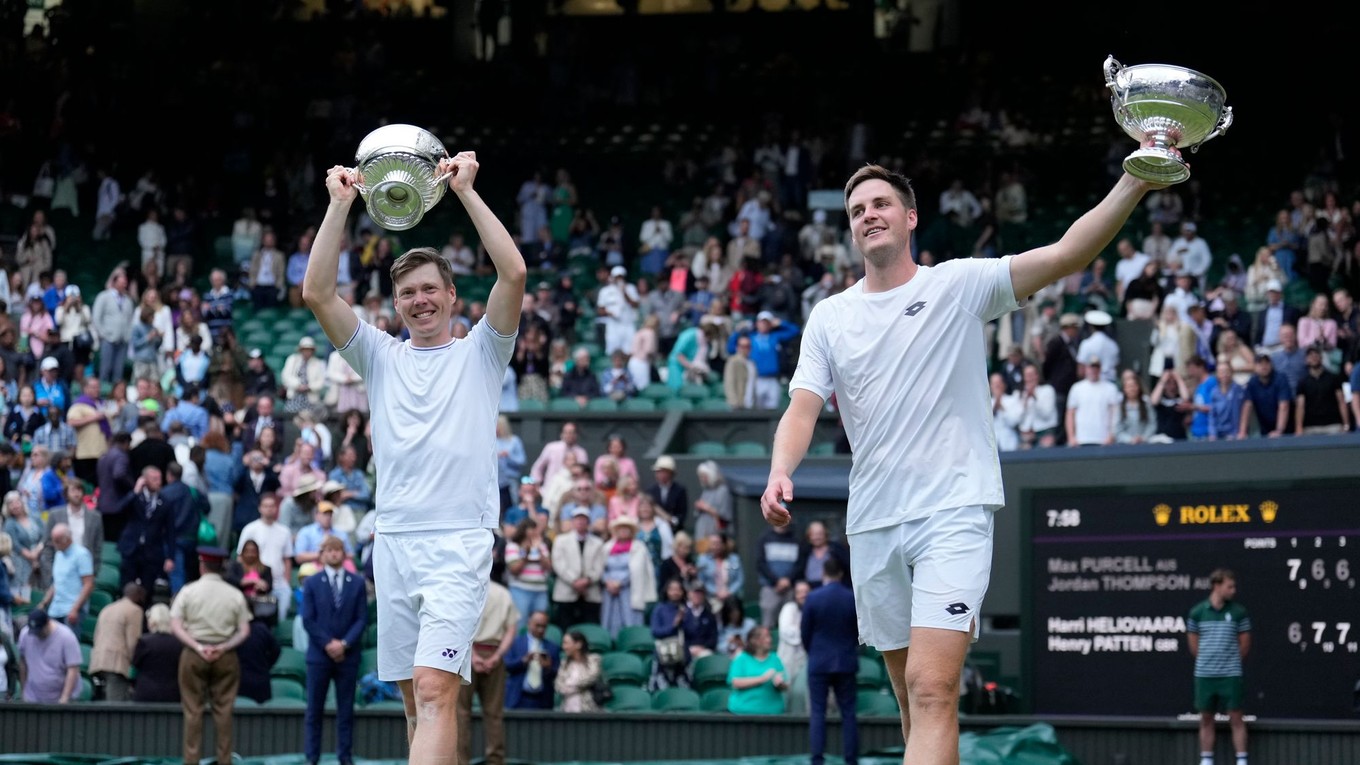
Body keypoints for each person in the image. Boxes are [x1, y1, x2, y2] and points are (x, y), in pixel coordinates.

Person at [761, 163, 1170, 764]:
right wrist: (779, 470)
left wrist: (1135, 179)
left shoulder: (958, 284)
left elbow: (1067, 253)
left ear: (910, 217)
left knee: (932, 689)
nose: (869, 214)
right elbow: (802, 410)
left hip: (952, 511)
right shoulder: (829, 317)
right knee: (910, 700)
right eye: (857, 211)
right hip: (873, 522)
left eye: (881, 204)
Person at [304, 152, 525, 765]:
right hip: (394, 539)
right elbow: (317, 291)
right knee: (414, 700)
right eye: (407, 293)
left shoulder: (483, 350)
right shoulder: (377, 355)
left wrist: (467, 194)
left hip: (458, 540)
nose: (420, 300)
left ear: (453, 296)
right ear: (396, 304)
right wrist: (340, 203)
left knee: (433, 690)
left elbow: (512, 273)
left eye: (430, 289)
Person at [170, 546, 254, 765]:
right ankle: (224, 761)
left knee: (192, 712)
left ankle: (191, 761)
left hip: (194, 654)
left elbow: (176, 626)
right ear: (221, 567)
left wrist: (198, 647)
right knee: (224, 712)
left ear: (201, 565)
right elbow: (244, 631)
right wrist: (224, 647)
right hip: (225, 656)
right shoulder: (235, 594)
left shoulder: (188, 591)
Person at [301, 534, 368, 765]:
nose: (333, 553)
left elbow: (361, 619)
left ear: (343, 553)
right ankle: (312, 757)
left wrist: (344, 644)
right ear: (322, 554)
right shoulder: (311, 582)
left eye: (337, 549)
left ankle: (345, 757)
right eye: (328, 550)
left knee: (346, 711)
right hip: (319, 656)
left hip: (348, 657)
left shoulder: (357, 582)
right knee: (314, 711)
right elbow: (308, 619)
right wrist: (329, 644)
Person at [1187, 569, 1251, 765]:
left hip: (1230, 675)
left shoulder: (1239, 612)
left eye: (1234, 586)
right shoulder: (1197, 613)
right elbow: (1194, 646)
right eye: (1229, 586)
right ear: (1217, 585)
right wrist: (1209, 661)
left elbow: (1245, 645)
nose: (1233, 590)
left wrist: (1228, 662)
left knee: (1236, 718)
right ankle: (1206, 759)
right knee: (1206, 718)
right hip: (1205, 675)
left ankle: (1241, 760)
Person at [802, 557, 860, 765]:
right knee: (849, 713)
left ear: (823, 573)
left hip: (819, 661)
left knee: (818, 711)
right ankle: (851, 760)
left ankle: (817, 759)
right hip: (845, 660)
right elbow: (858, 632)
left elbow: (805, 632)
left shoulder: (813, 597)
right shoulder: (851, 598)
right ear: (842, 574)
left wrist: (814, 652)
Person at [456, 579, 519, 765]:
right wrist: (497, 656)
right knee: (494, 713)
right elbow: (511, 630)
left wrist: (473, 655)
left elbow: (460, 626)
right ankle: (495, 760)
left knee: (461, 713)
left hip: (468, 653)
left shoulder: (465, 589)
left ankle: (461, 761)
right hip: (494, 653)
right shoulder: (503, 593)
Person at [87, 582, 146, 701]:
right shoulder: (135, 610)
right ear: (138, 595)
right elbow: (133, 642)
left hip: (99, 659)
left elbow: (96, 635)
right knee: (115, 706)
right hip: (117, 663)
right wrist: (136, 664)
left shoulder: (107, 608)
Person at [17, 607, 82, 703]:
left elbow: (73, 669)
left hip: (59, 698)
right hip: (33, 697)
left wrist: (64, 698)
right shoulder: (25, 634)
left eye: (40, 630)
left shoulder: (66, 637)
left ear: (47, 622)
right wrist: (23, 692)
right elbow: (23, 663)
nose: (37, 634)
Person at [503, 610, 560, 710]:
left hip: (543, 701)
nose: (541, 630)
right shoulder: (515, 643)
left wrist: (548, 667)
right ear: (529, 624)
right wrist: (523, 661)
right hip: (518, 698)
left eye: (544, 626)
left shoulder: (552, 647)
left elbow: (557, 673)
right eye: (537, 625)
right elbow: (506, 665)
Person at [726, 625, 786, 714]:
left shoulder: (775, 658)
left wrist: (780, 683)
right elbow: (735, 682)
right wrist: (763, 678)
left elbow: (785, 684)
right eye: (765, 637)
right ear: (754, 641)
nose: (769, 640)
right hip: (743, 713)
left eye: (769, 636)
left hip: (773, 714)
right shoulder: (741, 659)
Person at [132, 603, 183, 702]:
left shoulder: (144, 641)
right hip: (173, 692)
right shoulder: (179, 643)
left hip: (145, 691)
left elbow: (135, 665)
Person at [554, 629, 603, 713]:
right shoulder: (564, 663)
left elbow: (590, 678)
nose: (564, 647)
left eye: (566, 643)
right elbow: (558, 685)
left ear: (578, 644)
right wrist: (569, 688)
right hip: (567, 708)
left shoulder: (593, 660)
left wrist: (571, 686)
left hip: (587, 708)